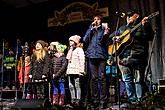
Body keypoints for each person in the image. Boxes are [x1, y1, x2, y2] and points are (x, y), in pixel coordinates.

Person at [108, 9, 154, 105]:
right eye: (127, 16)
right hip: (124, 58)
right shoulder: (122, 28)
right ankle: (132, 101)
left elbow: (150, 37)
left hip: (138, 57)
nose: (128, 18)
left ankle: (140, 101)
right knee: (127, 80)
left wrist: (146, 26)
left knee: (138, 80)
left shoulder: (142, 26)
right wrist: (114, 38)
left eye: (131, 15)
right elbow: (111, 37)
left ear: (137, 16)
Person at [83, 14, 110, 109]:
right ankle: (95, 100)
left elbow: (104, 43)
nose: (96, 21)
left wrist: (106, 34)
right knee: (94, 78)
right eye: (94, 19)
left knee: (102, 78)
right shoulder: (91, 29)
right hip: (91, 56)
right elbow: (85, 40)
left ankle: (103, 100)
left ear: (101, 21)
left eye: (98, 19)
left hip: (101, 56)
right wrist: (90, 29)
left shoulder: (103, 30)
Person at [66, 35, 85, 107]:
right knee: (70, 85)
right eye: (70, 41)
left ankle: (78, 99)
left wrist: (81, 71)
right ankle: (73, 99)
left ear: (75, 42)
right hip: (70, 70)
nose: (70, 42)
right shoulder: (70, 50)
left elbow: (82, 60)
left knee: (77, 84)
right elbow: (68, 61)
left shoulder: (79, 50)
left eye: (71, 41)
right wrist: (67, 70)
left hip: (76, 70)